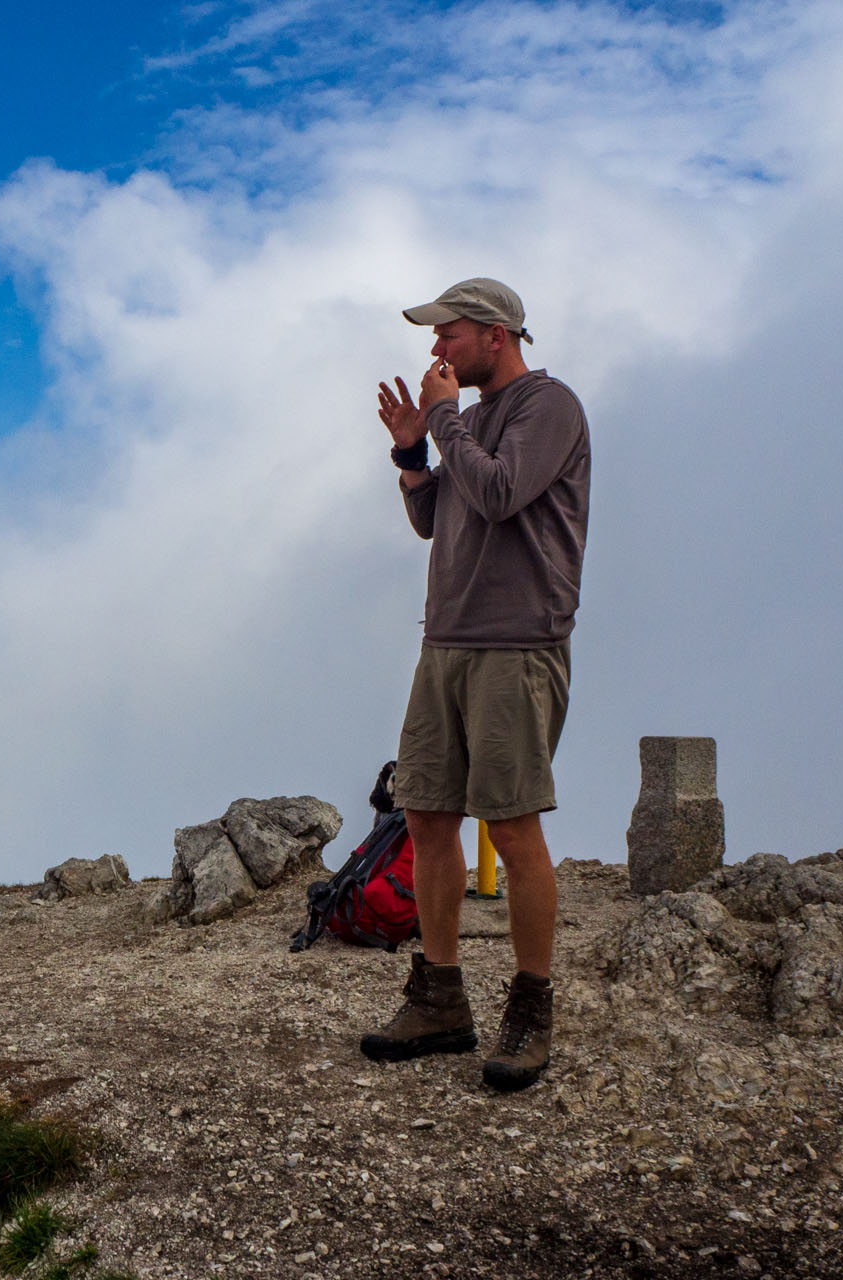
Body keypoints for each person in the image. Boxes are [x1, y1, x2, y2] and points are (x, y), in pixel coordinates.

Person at [361, 277, 590, 1091]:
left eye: (448, 336)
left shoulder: (547, 408)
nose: (435, 352)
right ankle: (440, 999)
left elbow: (496, 496)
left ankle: (530, 1012)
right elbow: (439, 520)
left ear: (495, 335)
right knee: (426, 813)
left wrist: (444, 420)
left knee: (514, 823)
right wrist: (410, 455)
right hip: (448, 640)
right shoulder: (470, 421)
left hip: (516, 642)